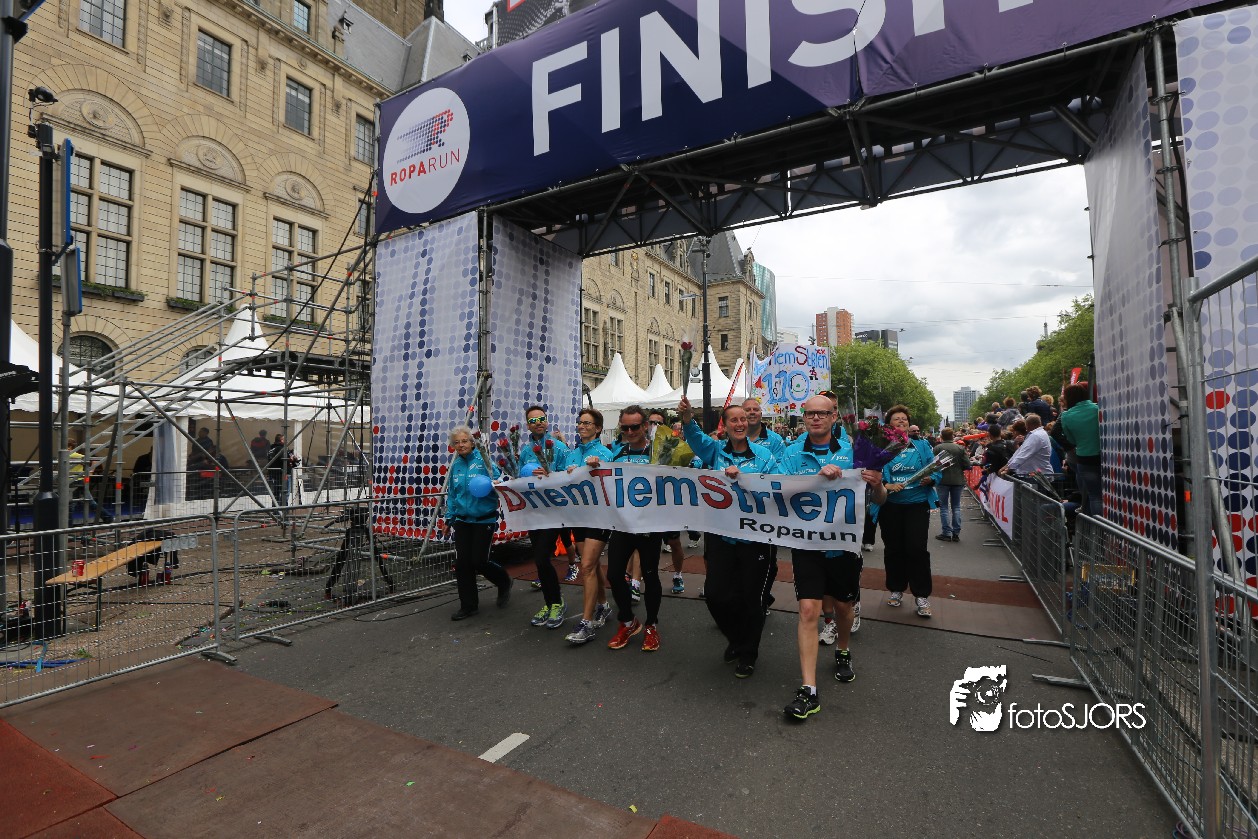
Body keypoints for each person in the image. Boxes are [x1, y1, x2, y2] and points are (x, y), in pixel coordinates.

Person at [780, 395, 886, 721]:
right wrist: (814, 478)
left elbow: (880, 498)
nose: (816, 418)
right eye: (810, 413)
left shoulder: (855, 451)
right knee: (808, 610)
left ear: (834, 416)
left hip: (843, 546)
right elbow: (777, 490)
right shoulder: (791, 453)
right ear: (804, 418)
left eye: (822, 414)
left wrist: (877, 484)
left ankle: (842, 649)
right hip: (806, 544)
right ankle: (808, 689)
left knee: (843, 607)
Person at [679, 395, 779, 678]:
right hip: (721, 535)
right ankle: (736, 638)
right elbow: (695, 437)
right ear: (724, 425)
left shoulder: (765, 457)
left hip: (756, 538)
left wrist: (744, 480)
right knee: (715, 595)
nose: (740, 423)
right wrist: (687, 418)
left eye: (743, 419)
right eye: (734, 419)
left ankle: (748, 653)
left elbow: (779, 488)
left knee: (753, 599)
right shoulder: (714, 451)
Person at [589, 405, 664, 651]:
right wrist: (591, 466)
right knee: (614, 575)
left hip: (650, 525)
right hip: (623, 524)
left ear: (645, 426)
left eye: (635, 427)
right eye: (625, 428)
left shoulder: (658, 451)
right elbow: (602, 477)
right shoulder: (616, 453)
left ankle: (651, 625)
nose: (630, 432)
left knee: (650, 576)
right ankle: (629, 621)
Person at [559, 409, 617, 645]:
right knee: (590, 565)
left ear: (598, 428)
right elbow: (562, 481)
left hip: (599, 517)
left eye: (587, 423)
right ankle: (603, 605)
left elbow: (611, 483)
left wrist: (598, 467)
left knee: (587, 566)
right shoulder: (571, 454)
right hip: (579, 516)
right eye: (580, 423)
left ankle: (586, 623)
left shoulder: (605, 453)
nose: (582, 426)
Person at [445, 426, 512, 620]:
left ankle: (503, 581)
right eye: (456, 442)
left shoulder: (483, 460)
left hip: (484, 519)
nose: (461, 445)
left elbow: (499, 480)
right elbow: (453, 494)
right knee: (463, 564)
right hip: (462, 520)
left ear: (472, 442)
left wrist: (496, 483)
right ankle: (468, 606)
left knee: (479, 561)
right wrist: (449, 518)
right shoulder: (456, 465)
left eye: (464, 441)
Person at [881, 404, 939, 619]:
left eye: (904, 419)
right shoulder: (882, 447)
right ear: (889, 425)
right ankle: (896, 589)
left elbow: (936, 467)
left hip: (917, 504)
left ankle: (921, 595)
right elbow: (873, 471)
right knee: (893, 549)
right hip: (891, 505)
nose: (901, 421)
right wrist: (886, 484)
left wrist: (931, 478)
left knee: (916, 549)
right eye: (896, 419)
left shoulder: (922, 445)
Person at [518, 405, 569, 629]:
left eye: (541, 419)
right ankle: (550, 604)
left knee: (541, 558)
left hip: (554, 510)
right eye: (532, 420)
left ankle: (557, 603)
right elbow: (520, 476)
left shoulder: (559, 447)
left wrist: (550, 475)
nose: (538, 423)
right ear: (527, 425)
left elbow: (569, 476)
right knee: (541, 560)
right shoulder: (525, 451)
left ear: (547, 421)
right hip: (534, 510)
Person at [649, 409, 688, 593]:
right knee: (645, 544)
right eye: (651, 422)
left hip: (669, 502)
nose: (654, 426)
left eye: (658, 423)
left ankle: (678, 574)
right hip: (646, 503)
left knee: (674, 542)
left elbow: (688, 463)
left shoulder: (672, 443)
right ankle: (641, 577)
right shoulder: (641, 444)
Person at [1057, 383, 1101, 515]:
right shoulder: (1098, 408)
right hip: (1103, 456)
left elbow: (1071, 439)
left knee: (1095, 496)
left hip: (1084, 459)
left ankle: (1097, 524)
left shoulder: (1066, 416)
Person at [932, 428, 972, 542]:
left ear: (941, 436)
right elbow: (967, 464)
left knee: (944, 507)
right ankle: (956, 533)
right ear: (952, 436)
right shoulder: (960, 448)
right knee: (956, 506)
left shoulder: (937, 448)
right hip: (957, 480)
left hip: (942, 480)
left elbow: (932, 464)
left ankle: (946, 532)